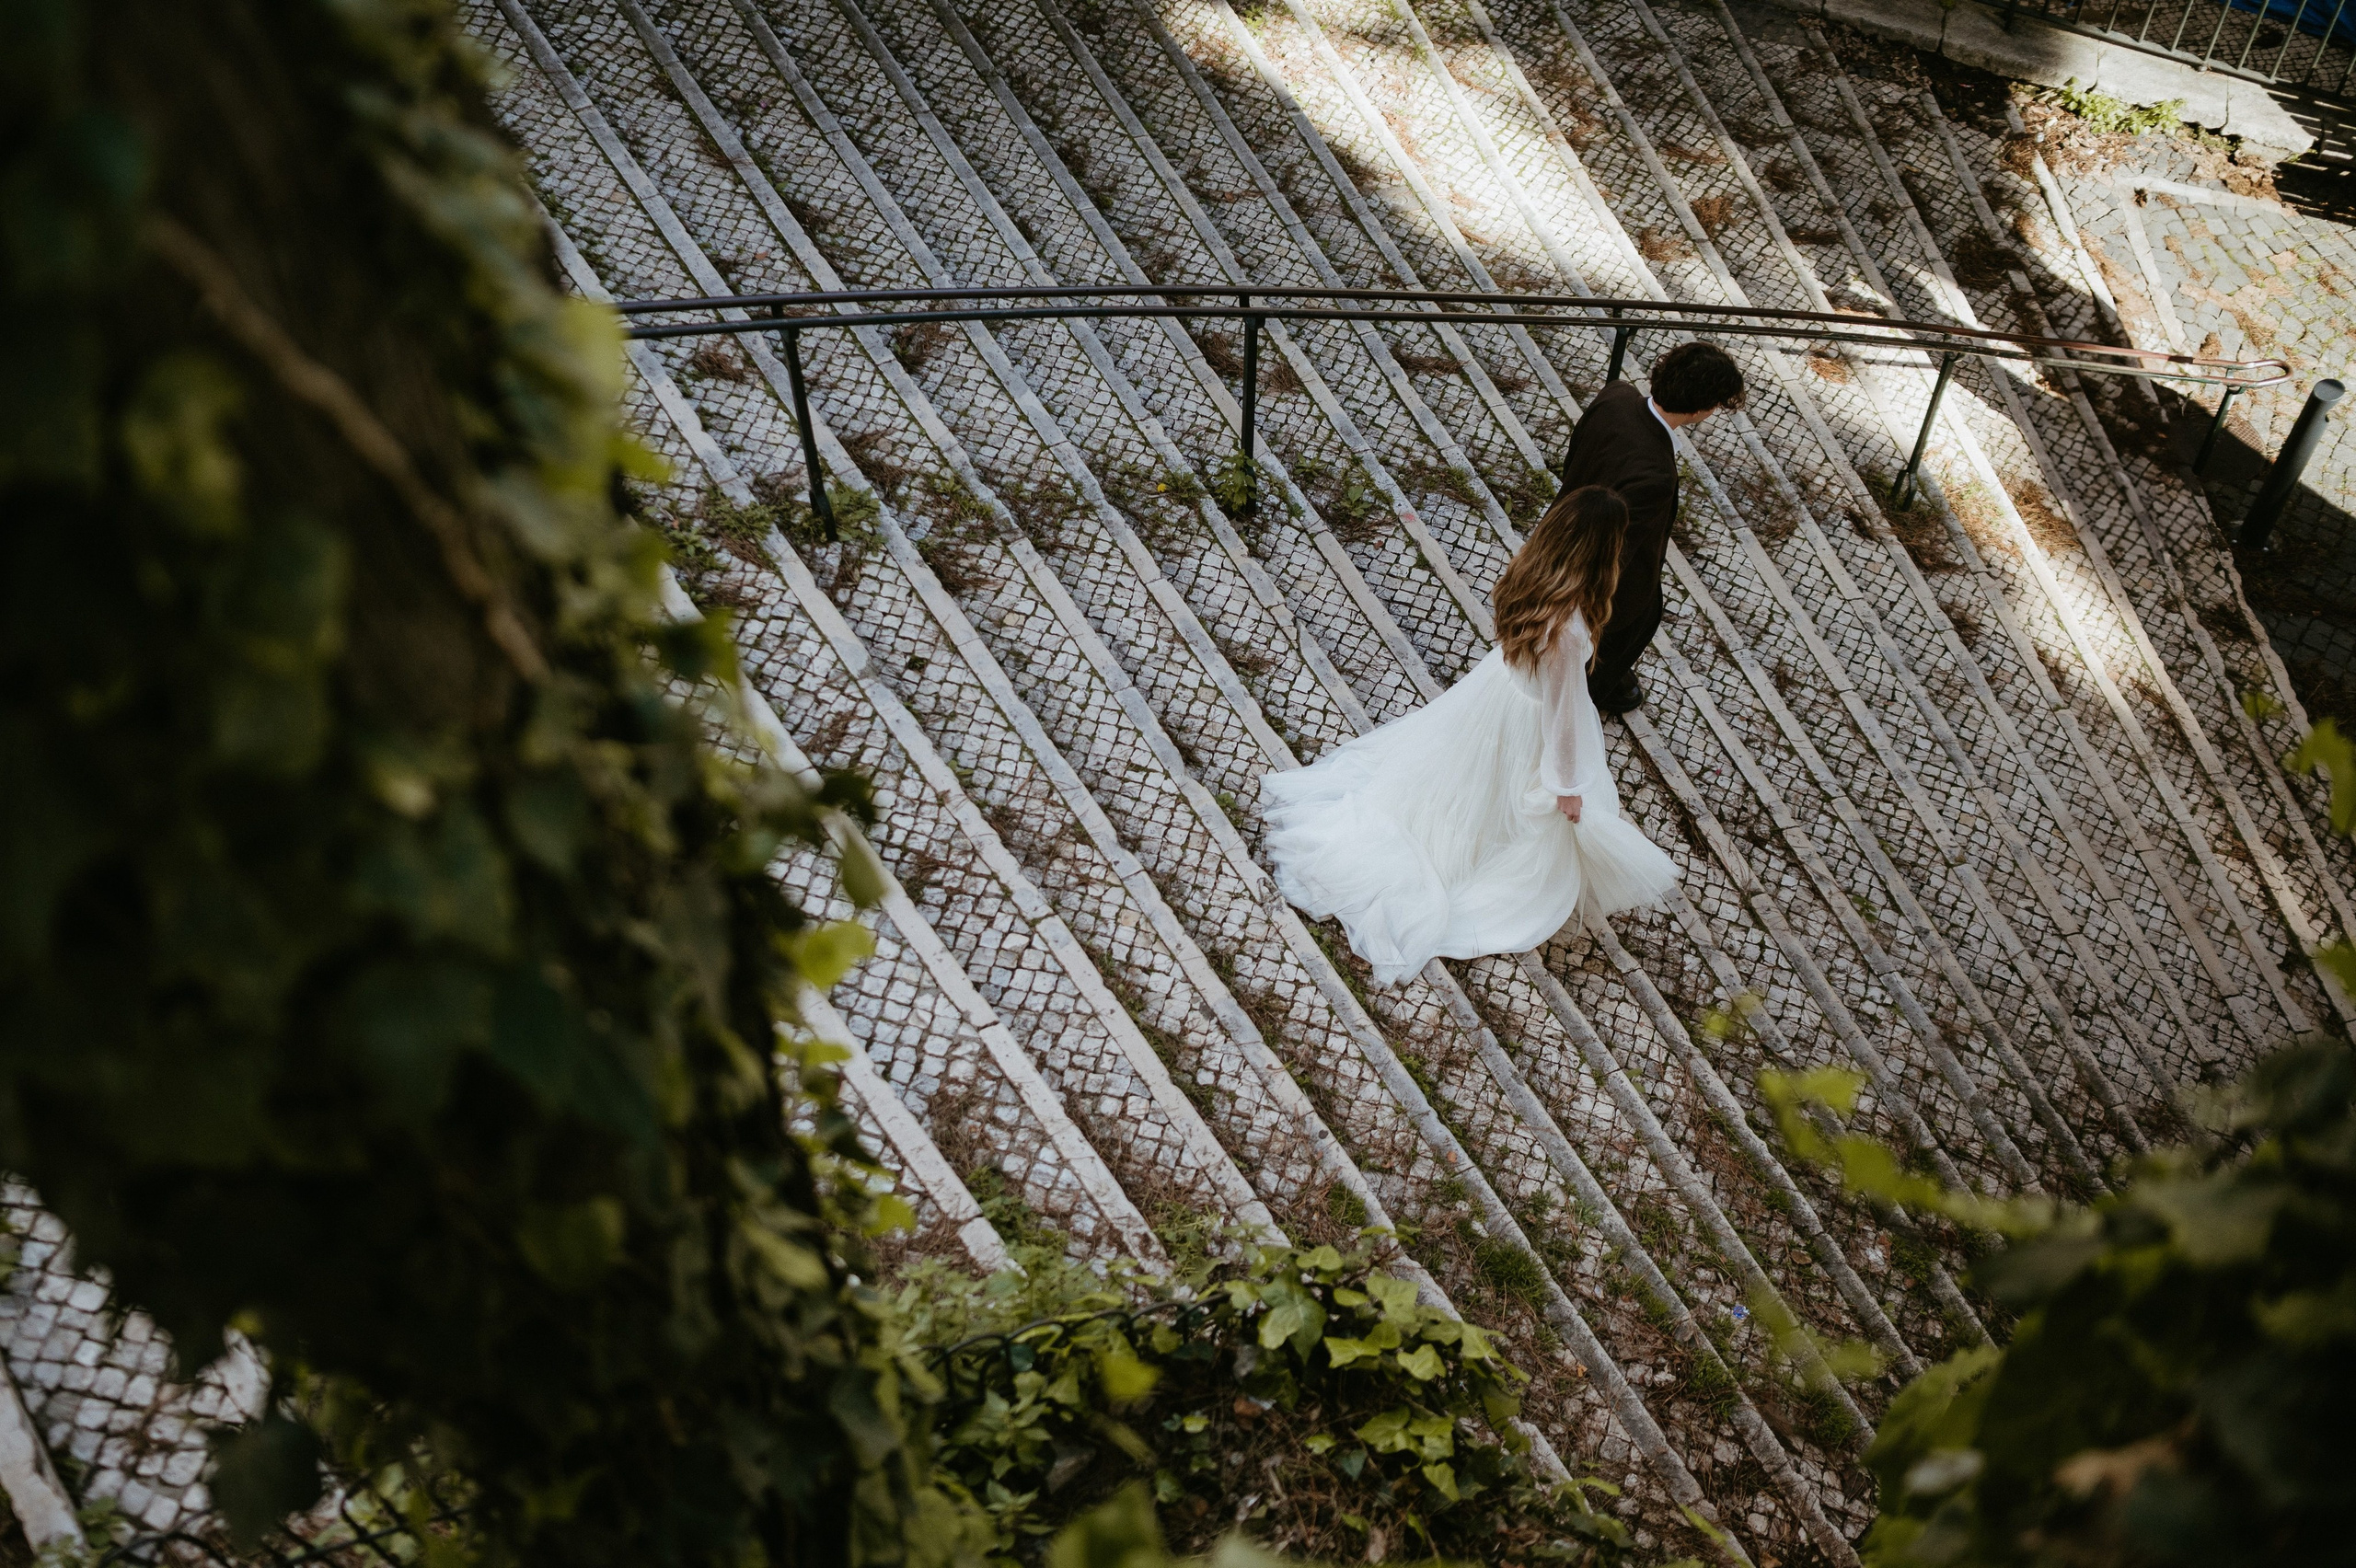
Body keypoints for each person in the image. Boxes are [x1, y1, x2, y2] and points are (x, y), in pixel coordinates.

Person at [1260, 486, 1680, 986]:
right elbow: (1563, 714)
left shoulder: (1529, 574)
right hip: (1527, 717)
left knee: (1468, 785)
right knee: (1507, 803)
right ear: (1602, 551)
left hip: (1497, 691)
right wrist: (1566, 785)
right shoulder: (1568, 630)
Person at [1558, 341, 1746, 715]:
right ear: (1702, 409)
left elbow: (1575, 456)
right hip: (1606, 577)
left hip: (1564, 525)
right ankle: (1582, 697)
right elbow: (1619, 551)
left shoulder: (1615, 396)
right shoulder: (1656, 474)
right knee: (1627, 628)